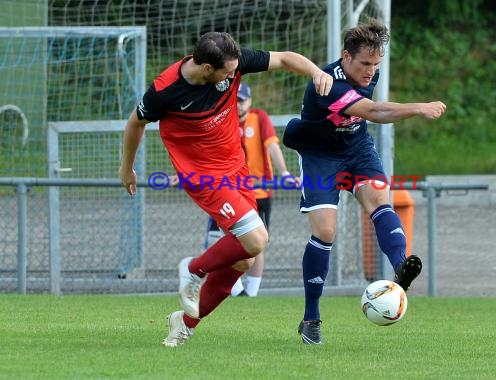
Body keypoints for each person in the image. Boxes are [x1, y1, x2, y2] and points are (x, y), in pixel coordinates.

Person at [118, 31, 333, 348]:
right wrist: (127, 167)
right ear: (206, 69)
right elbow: (136, 122)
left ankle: (186, 322)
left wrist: (316, 72)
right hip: (203, 174)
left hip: (236, 169)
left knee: (245, 259)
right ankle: (192, 269)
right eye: (228, 73)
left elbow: (286, 58)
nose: (234, 76)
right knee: (258, 238)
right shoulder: (166, 90)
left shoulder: (234, 60)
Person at [282, 19, 446, 345]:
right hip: (320, 155)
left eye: (376, 64)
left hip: (357, 149)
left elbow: (366, 113)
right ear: (346, 57)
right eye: (365, 64)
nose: (371, 71)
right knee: (325, 230)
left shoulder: (369, 73)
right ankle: (311, 316)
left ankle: (401, 268)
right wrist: (418, 107)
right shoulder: (327, 83)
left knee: (379, 201)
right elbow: (374, 112)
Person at [204, 82, 301, 297]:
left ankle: (252, 293)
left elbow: (272, 145)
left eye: (242, 100)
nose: (238, 105)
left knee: (256, 244)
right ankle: (235, 291)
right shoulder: (221, 120)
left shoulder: (260, 118)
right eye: (234, 101)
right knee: (220, 239)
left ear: (249, 101)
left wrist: (284, 172)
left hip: (258, 193)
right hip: (226, 193)